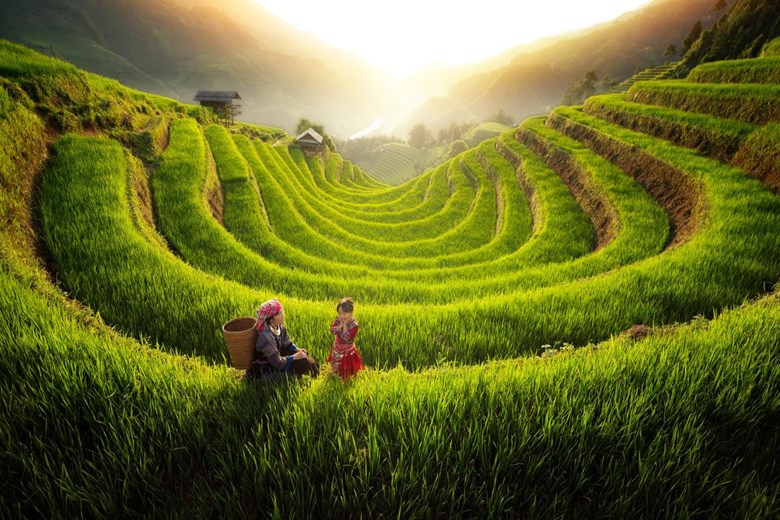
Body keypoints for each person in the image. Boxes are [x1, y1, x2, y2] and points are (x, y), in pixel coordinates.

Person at [248, 298, 319, 380]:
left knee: (307, 358)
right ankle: (308, 378)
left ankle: (314, 375)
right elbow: (277, 362)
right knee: (302, 365)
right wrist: (295, 356)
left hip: (278, 355)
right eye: (280, 313)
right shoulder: (266, 338)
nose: (283, 315)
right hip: (266, 366)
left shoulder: (279, 326)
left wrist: (297, 349)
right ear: (271, 319)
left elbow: (287, 343)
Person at [328, 297, 365, 380]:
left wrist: (344, 326)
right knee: (335, 362)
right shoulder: (338, 320)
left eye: (344, 313)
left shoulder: (354, 325)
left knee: (347, 367)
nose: (342, 316)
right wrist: (340, 326)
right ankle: (334, 375)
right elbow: (332, 331)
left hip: (347, 349)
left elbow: (346, 338)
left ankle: (346, 379)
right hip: (337, 347)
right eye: (340, 313)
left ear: (351, 312)